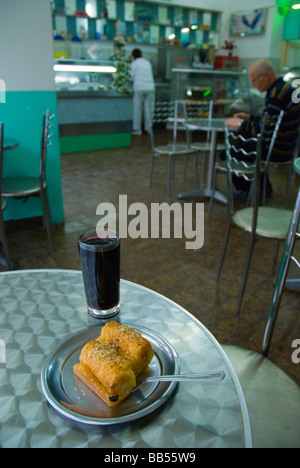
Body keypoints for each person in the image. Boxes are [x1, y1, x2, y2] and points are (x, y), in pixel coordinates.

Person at [226, 59, 300, 198]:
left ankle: (250, 192)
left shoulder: (276, 94)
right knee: (245, 146)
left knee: (231, 153)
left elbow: (265, 130)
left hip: (277, 149)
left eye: (254, 81)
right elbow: (272, 122)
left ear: (265, 76)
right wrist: (250, 118)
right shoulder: (281, 89)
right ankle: (262, 189)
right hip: (286, 146)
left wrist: (240, 124)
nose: (254, 85)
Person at [131, 48, 155, 135]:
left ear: (133, 56)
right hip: (150, 87)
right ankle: (148, 128)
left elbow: (131, 75)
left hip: (139, 87)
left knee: (137, 109)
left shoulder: (134, 63)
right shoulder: (147, 62)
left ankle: (137, 129)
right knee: (149, 109)